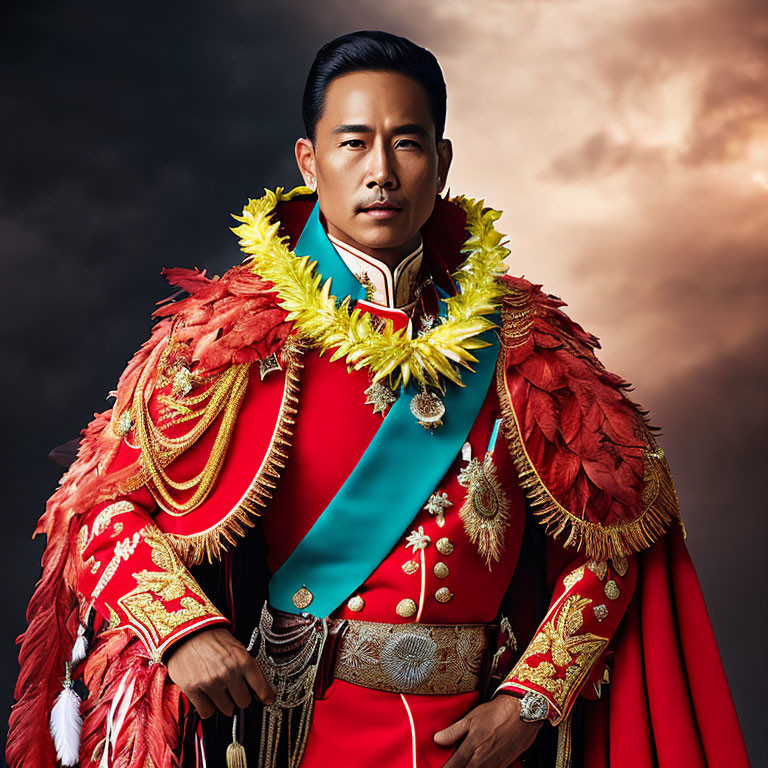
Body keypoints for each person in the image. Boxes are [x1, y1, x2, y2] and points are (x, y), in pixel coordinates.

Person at [7, 30, 750, 768]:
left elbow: (617, 535)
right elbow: (95, 507)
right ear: (310, 161)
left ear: (444, 162)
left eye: (408, 144)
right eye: (354, 144)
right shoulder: (232, 333)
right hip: (302, 728)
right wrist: (182, 629)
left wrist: (531, 700)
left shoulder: (529, 341)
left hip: (480, 742)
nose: (382, 174)